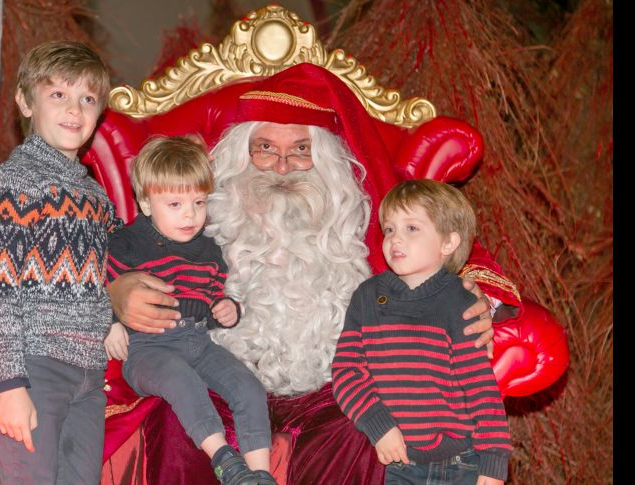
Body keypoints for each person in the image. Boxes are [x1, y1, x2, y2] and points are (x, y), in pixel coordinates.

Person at [104, 64, 519, 483]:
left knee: (374, 434)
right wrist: (115, 295)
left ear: (327, 161)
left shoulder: (368, 216)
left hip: (334, 391)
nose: (282, 168)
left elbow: (456, 243)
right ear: (238, 156)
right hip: (218, 375)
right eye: (265, 148)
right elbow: (119, 250)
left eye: (301, 150)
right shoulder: (200, 214)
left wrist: (480, 296)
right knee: (177, 420)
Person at [103, 136, 276, 485]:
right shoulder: (127, 242)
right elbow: (101, 287)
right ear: (146, 203)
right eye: (175, 204)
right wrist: (110, 323)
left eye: (198, 202)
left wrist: (228, 309)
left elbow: (212, 300)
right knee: (183, 381)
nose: (190, 215)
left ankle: (261, 475)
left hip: (199, 341)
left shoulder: (210, 249)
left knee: (249, 388)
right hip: (148, 347)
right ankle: (226, 461)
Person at [0, 41, 114, 484]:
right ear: (25, 101)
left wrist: (110, 321)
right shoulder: (14, 183)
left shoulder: (96, 196)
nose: (74, 109)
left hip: (89, 373)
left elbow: (96, 279)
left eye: (88, 98)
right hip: (35, 367)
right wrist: (10, 385)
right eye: (58, 94)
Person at [332, 179, 511, 485]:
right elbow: (346, 371)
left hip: (459, 463)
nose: (395, 239)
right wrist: (380, 426)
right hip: (395, 463)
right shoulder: (367, 297)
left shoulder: (460, 301)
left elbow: (481, 387)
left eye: (411, 228)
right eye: (389, 229)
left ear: (448, 243)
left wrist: (493, 461)